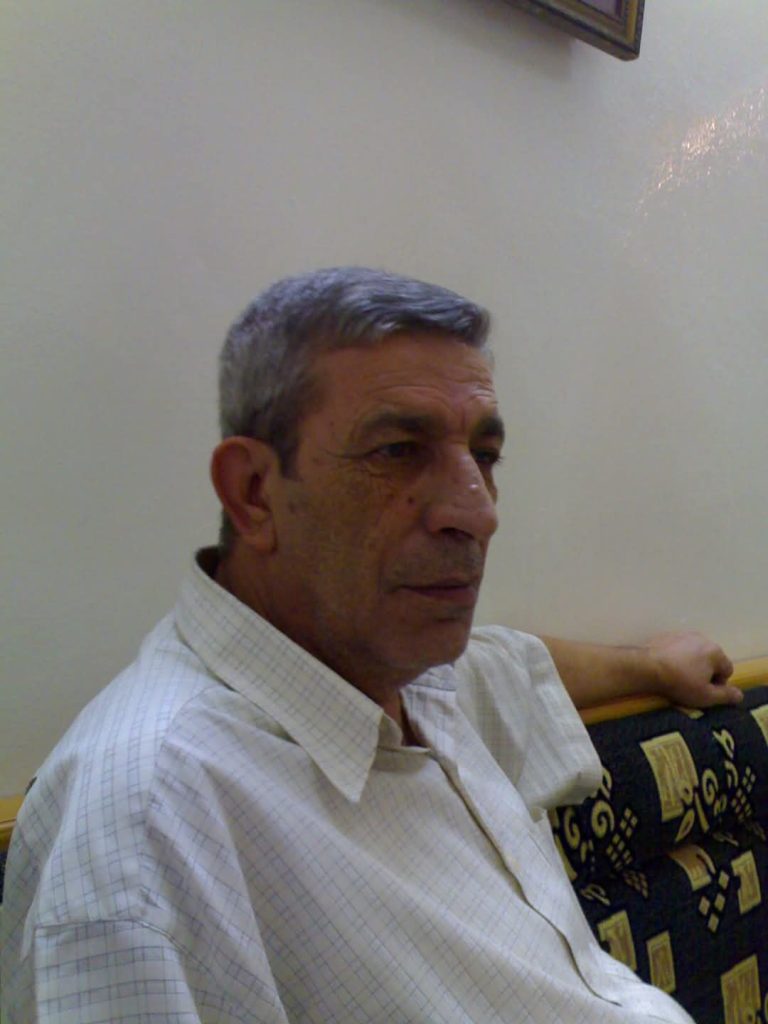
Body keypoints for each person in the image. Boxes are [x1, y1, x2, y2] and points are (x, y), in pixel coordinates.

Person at [1, 268, 740, 1023]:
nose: (478, 512)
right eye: (397, 450)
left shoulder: (397, 667)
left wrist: (653, 667)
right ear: (254, 492)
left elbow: (515, 664)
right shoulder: (149, 833)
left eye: (484, 455)